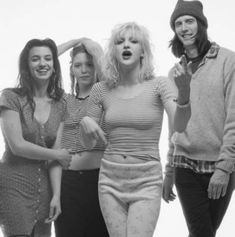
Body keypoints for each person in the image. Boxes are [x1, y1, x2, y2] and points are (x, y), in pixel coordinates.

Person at [80, 22, 191, 237]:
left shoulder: (160, 85)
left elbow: (180, 124)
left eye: (133, 41)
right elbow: (88, 144)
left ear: (143, 51)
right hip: (110, 179)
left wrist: (185, 92)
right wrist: (86, 122)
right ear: (113, 51)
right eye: (120, 42)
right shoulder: (100, 90)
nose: (126, 45)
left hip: (147, 180)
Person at [163, 1, 235, 237]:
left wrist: (224, 168)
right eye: (178, 23)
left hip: (221, 163)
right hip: (185, 164)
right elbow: (174, 127)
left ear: (201, 24)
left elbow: (234, 118)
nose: (183, 28)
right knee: (201, 233)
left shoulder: (227, 61)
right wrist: (169, 172)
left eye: (189, 21)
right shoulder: (175, 74)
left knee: (204, 233)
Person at [0, 38, 71, 237]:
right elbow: (17, 146)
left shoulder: (61, 103)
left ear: (54, 66)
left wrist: (56, 195)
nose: (42, 63)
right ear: (26, 65)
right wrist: (57, 154)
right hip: (13, 184)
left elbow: (55, 159)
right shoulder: (11, 97)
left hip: (45, 189)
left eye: (48, 58)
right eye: (35, 59)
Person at [54, 38, 109, 237]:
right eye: (78, 65)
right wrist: (75, 41)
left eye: (89, 64)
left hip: (100, 181)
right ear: (72, 70)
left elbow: (108, 68)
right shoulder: (63, 99)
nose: (84, 70)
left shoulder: (105, 94)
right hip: (67, 183)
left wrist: (92, 47)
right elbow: (45, 57)